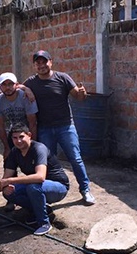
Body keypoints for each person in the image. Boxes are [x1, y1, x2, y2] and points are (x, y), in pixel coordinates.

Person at [23, 50, 95, 206]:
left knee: (75, 158)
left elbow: (79, 97)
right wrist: (25, 89)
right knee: (48, 162)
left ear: (51, 61)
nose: (41, 65)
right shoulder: (31, 82)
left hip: (65, 126)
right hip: (44, 129)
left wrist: (83, 93)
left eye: (44, 61)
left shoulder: (62, 78)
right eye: (38, 62)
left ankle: (85, 189)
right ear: (35, 65)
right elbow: (14, 88)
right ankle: (49, 192)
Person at [0, 124, 69, 236]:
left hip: (58, 187)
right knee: (9, 193)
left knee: (34, 187)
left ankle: (44, 223)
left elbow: (40, 177)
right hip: (37, 185)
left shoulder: (38, 149)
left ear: (29, 135)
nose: (18, 141)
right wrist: (5, 186)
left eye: (21, 137)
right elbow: (5, 179)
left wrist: (11, 180)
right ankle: (38, 211)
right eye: (15, 138)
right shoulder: (14, 152)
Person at [0, 72, 39, 155]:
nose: (7, 87)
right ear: (0, 87)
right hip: (14, 131)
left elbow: (33, 123)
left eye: (10, 84)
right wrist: (7, 147)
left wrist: (32, 145)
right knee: (9, 159)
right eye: (4, 85)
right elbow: (0, 127)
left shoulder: (26, 97)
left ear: (17, 85)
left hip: (29, 131)